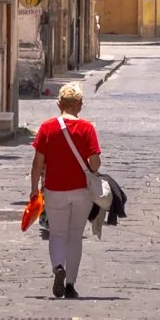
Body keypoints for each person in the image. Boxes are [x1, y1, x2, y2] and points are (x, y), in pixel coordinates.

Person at [29, 82, 101, 299]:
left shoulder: (47, 128)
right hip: (81, 191)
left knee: (57, 235)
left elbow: (37, 163)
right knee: (75, 237)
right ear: (79, 105)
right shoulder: (87, 128)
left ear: (59, 103)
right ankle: (70, 284)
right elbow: (95, 163)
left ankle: (58, 267)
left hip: (54, 190)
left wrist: (34, 190)